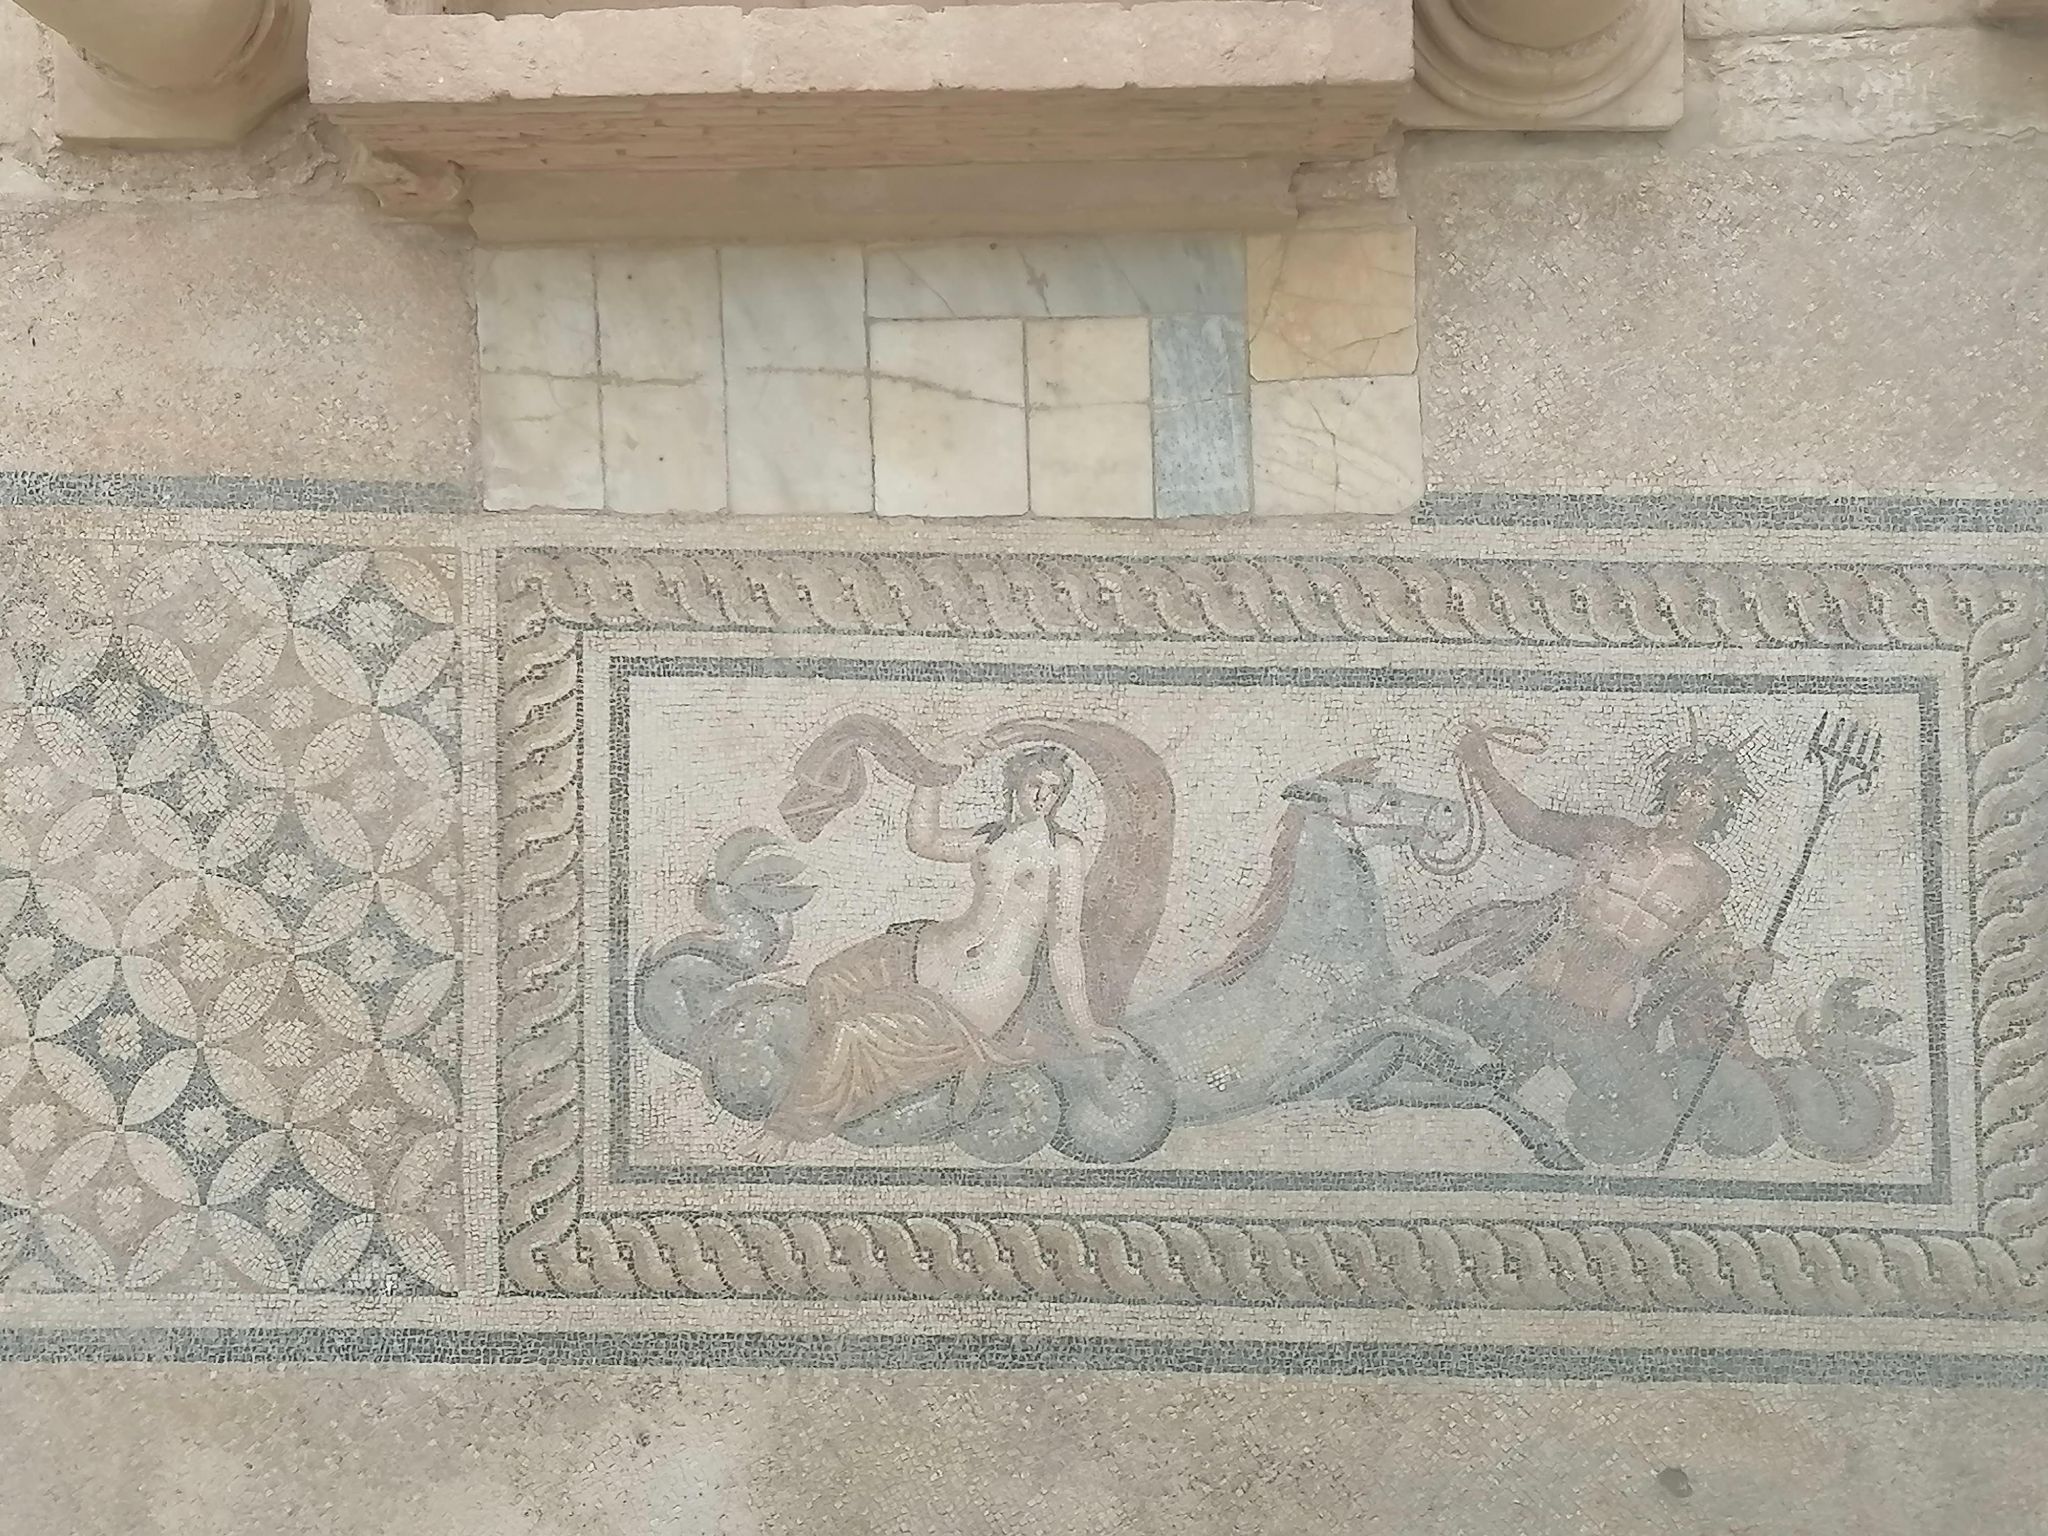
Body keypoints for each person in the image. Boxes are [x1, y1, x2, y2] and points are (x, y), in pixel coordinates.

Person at [1413, 722, 1774, 1164]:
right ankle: (1457, 1008)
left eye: (1700, 792)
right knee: (1486, 1078)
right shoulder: (1611, 835)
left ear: (1718, 809)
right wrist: (1482, 765)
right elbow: (1532, 823)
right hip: (1542, 997)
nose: (1684, 797)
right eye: (1681, 783)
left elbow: (1703, 951)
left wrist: (1743, 965)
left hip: (1604, 1020)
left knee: (1655, 1121)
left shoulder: (1711, 882)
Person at [764, 744, 1122, 1144]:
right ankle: (821, 1074)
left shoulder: (1063, 852)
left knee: (854, 1031)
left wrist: (1084, 1025)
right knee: (827, 980)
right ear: (1015, 783)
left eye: (1054, 790)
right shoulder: (991, 837)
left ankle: (790, 1128)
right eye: (1035, 784)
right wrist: (931, 773)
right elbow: (925, 840)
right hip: (923, 950)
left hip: (974, 994)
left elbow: (1064, 942)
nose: (1043, 797)